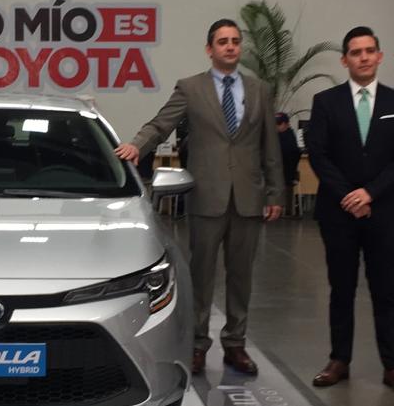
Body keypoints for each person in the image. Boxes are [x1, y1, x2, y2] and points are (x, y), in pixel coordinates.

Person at [115, 19, 284, 376]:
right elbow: (161, 123)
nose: (230, 46)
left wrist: (275, 192)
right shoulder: (191, 88)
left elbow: (270, 146)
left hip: (249, 199)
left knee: (242, 276)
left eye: (235, 41)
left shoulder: (259, 90)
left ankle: (235, 345)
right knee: (201, 275)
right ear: (210, 49)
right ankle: (196, 344)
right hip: (208, 198)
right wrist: (137, 145)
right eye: (223, 41)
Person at [307, 26, 394, 389]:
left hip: (385, 212)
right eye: (356, 52)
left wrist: (370, 194)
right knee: (341, 288)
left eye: (369, 51)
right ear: (345, 60)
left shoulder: (393, 102)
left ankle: (391, 363)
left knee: (386, 289)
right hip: (338, 213)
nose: (363, 57)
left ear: (379, 56)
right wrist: (350, 196)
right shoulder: (326, 102)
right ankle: (339, 360)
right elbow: (318, 154)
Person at [275, 111, 301, 215]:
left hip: (286, 172)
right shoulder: (276, 135)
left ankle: (286, 210)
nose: (276, 126)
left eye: (279, 124)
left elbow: (290, 154)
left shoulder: (288, 137)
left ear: (286, 124)